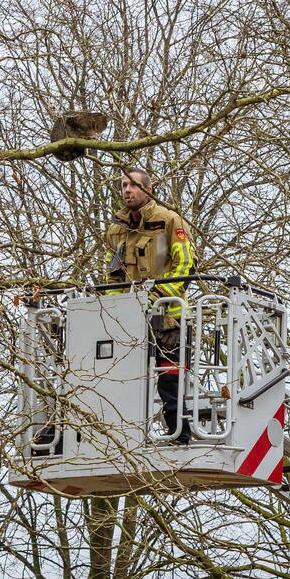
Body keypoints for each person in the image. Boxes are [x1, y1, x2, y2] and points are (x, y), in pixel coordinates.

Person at [104, 169, 195, 445]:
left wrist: (156, 297)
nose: (127, 191)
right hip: (130, 320)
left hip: (169, 318)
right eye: (123, 186)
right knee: (124, 376)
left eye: (132, 185)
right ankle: (121, 435)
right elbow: (113, 275)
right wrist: (116, 309)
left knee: (169, 377)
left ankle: (179, 432)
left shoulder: (168, 221)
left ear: (148, 189)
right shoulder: (116, 230)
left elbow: (185, 264)